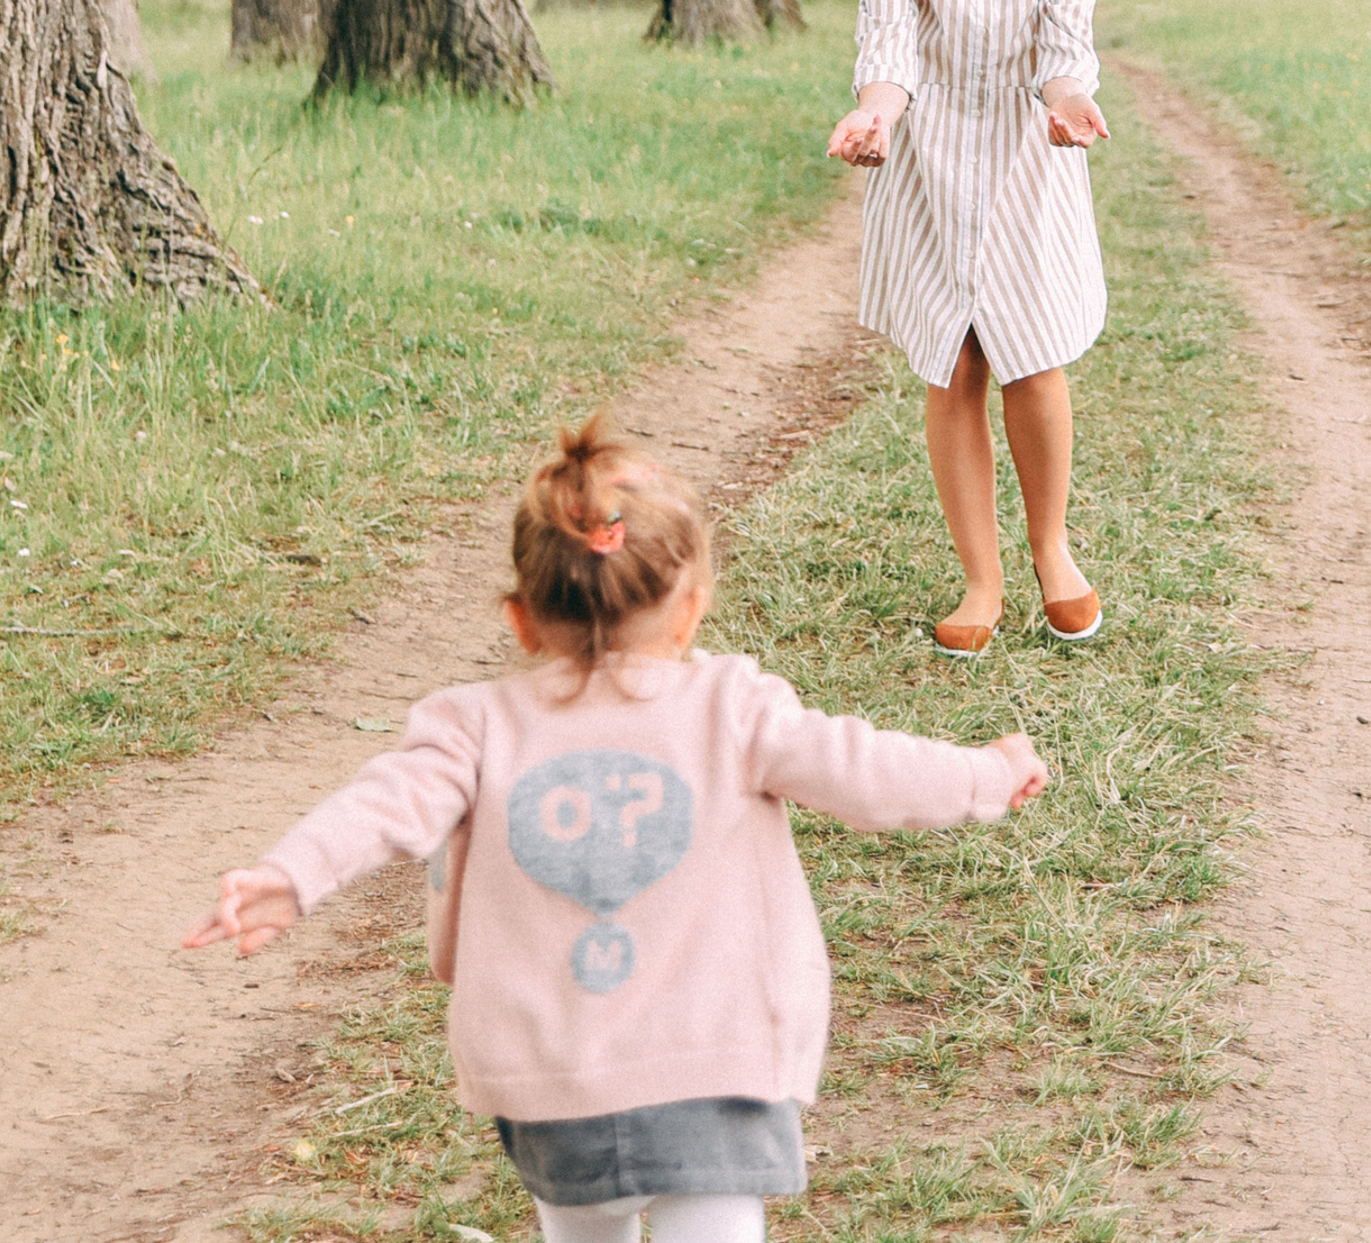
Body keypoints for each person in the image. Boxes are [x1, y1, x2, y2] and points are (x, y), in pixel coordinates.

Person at [185, 419, 1048, 1243]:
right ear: (691, 609)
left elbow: (383, 802)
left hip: (551, 1084)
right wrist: (989, 773)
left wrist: (291, 875)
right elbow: (869, 772)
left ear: (521, 619)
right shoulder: (733, 707)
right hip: (715, 1068)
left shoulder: (473, 724)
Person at [826, 0, 1109, 658]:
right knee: (955, 359)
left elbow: (1065, 42)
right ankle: (979, 579)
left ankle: (1051, 551)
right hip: (929, 147)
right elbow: (889, 38)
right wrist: (875, 112)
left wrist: (1070, 101)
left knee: (1031, 350)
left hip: (1030, 144)